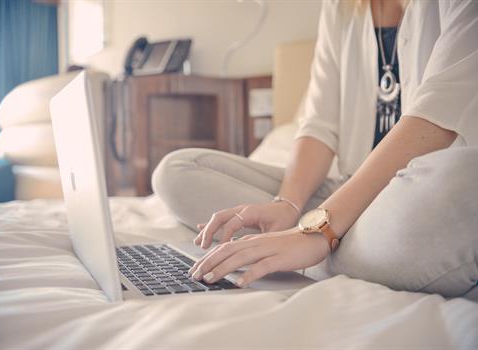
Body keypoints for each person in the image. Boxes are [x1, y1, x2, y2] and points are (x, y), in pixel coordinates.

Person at [153, 0, 478, 298]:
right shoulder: (341, 6)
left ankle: (304, 247)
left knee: (466, 180)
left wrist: (318, 232)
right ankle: (307, 245)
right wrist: (288, 204)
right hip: (346, 191)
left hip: (417, 195)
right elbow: (319, 124)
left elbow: (434, 119)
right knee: (178, 170)